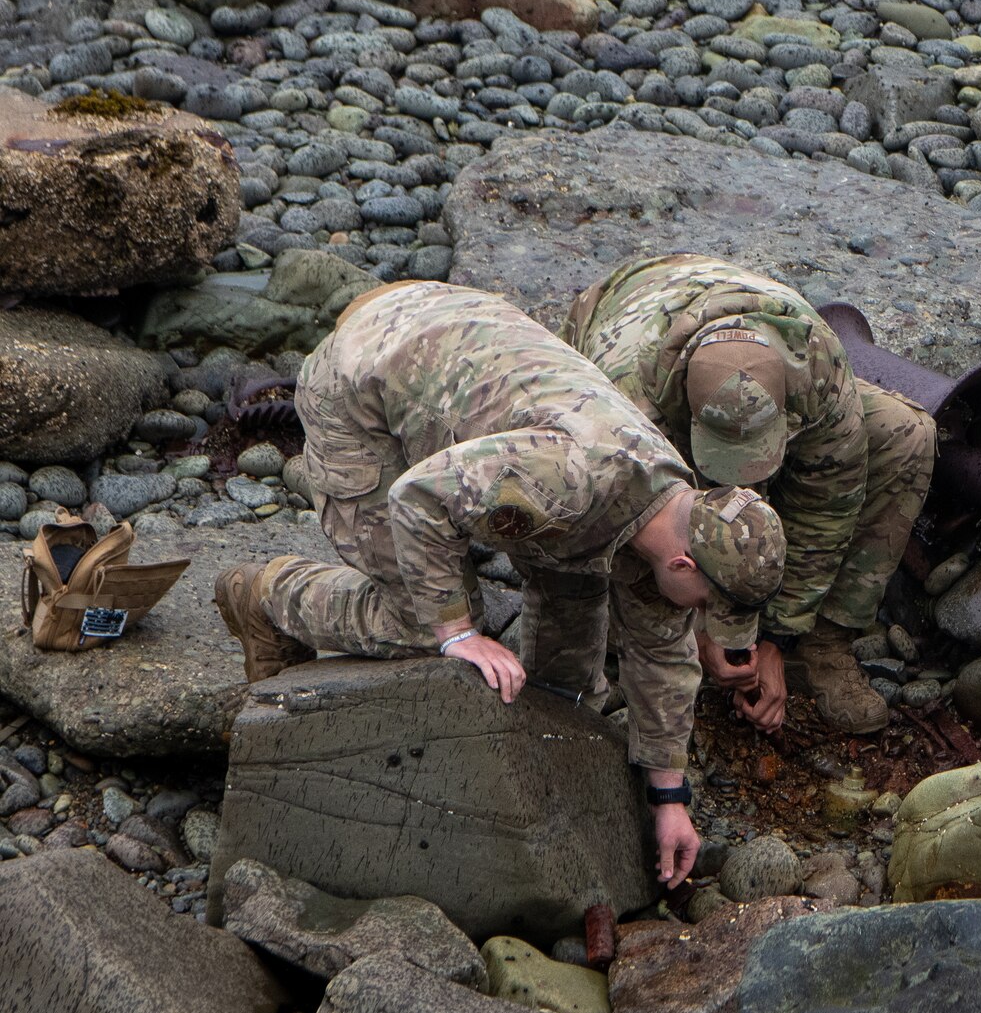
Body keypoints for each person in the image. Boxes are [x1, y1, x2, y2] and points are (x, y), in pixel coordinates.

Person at [211, 281, 785, 888]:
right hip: (362, 384)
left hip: (455, 339)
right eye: (705, 607)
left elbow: (662, 651)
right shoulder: (571, 480)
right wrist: (457, 633)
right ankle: (266, 594)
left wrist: (669, 797)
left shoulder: (676, 510)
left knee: (575, 595)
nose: (698, 621)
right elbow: (420, 499)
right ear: (685, 567)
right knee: (418, 620)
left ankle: (545, 716)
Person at [560, 254, 936, 735]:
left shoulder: (815, 364)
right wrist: (707, 631)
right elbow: (626, 525)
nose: (738, 480)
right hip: (628, 331)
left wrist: (778, 635)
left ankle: (823, 644)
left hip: (746, 340)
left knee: (907, 433)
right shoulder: (627, 395)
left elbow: (826, 506)